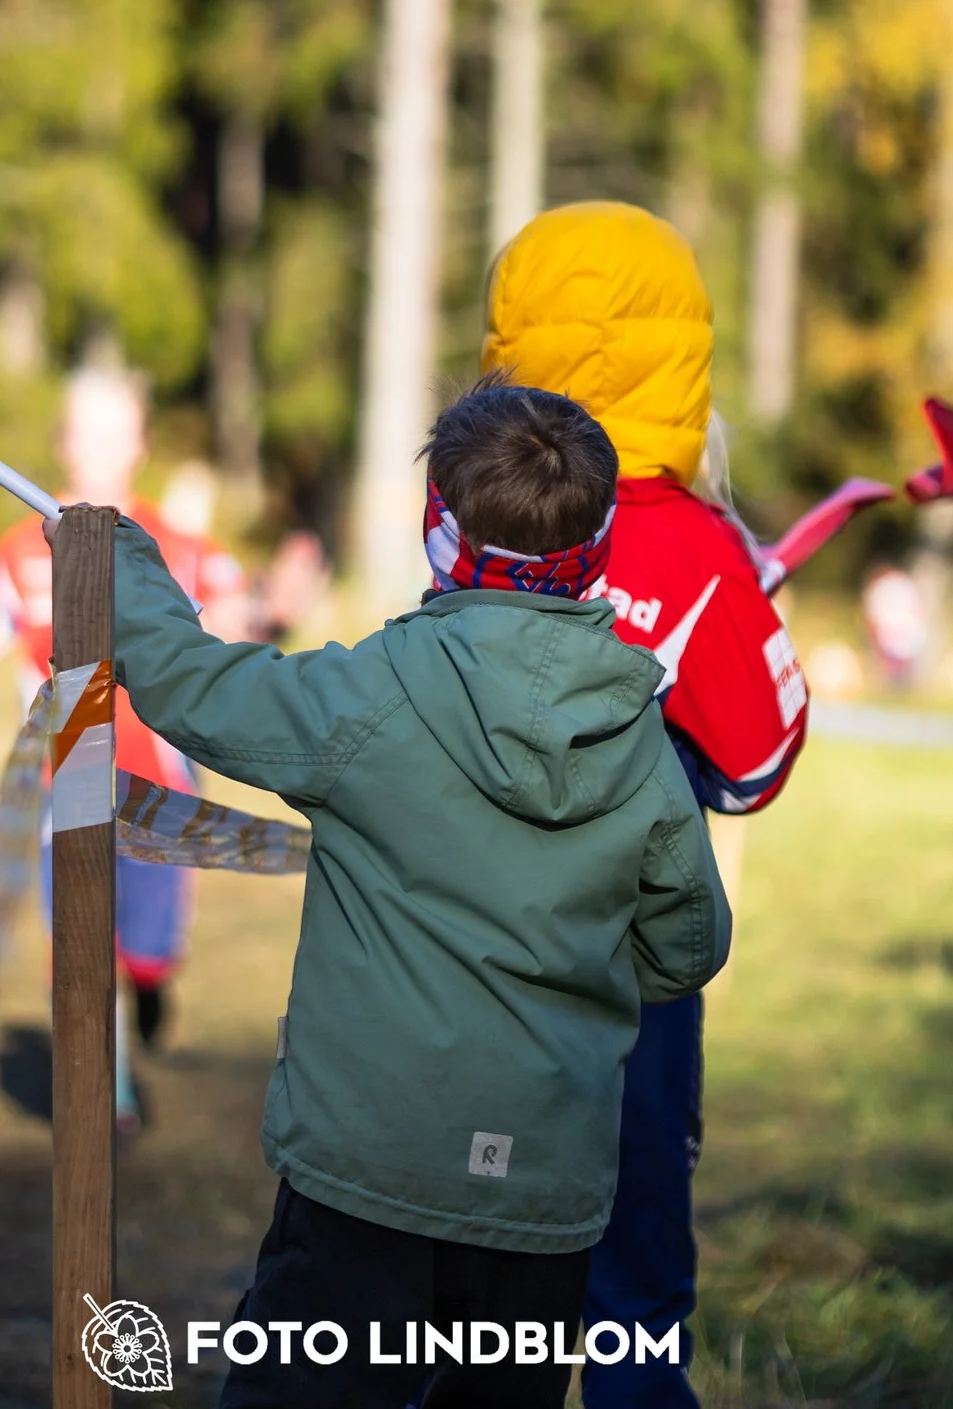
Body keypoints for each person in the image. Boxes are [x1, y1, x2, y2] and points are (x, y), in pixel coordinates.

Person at [95, 380, 729, 1408]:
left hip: (369, 1172)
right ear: (596, 543)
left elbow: (196, 686)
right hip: (544, 1188)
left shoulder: (373, 695)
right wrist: (586, 967)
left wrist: (120, 559)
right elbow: (688, 942)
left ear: (440, 524)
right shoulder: (638, 734)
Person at [483, 201, 809, 1409]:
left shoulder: (461, 516)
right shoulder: (699, 551)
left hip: (469, 957)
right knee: (627, 1292)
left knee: (478, 1282)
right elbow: (760, 763)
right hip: (631, 974)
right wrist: (738, 608)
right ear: (686, 353)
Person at [0, 364, 251, 1098]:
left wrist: (272, 610)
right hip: (68, 783)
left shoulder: (179, 546)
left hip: (161, 783)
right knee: (82, 948)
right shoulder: (21, 547)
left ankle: (153, 987)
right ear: (63, 441)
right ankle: (103, 1095)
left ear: (140, 444)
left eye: (115, 434)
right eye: (86, 432)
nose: (99, 449)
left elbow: (238, 634)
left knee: (145, 950)